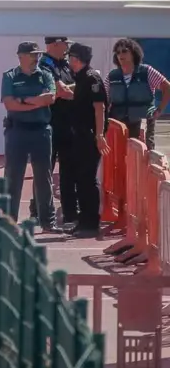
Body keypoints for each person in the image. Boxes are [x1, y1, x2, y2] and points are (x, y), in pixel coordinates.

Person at [1, 41, 56, 228]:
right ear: (21, 56)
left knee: (43, 177)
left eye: (37, 55)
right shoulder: (9, 76)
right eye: (32, 55)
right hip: (17, 130)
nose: (36, 58)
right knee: (13, 176)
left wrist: (23, 100)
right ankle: (9, 220)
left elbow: (50, 98)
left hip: (41, 130)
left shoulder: (46, 75)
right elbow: (10, 104)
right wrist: (34, 101)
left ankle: (48, 221)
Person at [63, 42, 109, 237]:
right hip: (79, 137)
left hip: (88, 137)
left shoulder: (92, 78)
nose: (68, 61)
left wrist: (99, 135)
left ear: (76, 59)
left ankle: (90, 223)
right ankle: (84, 221)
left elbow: (100, 108)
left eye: (70, 58)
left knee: (87, 180)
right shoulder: (81, 78)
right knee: (80, 180)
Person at [107, 38, 170, 149]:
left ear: (133, 53)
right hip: (118, 125)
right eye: (118, 52)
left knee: (142, 156)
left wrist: (159, 109)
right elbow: (104, 98)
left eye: (124, 51)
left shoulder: (147, 72)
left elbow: (167, 87)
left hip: (142, 123)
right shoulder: (112, 76)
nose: (121, 54)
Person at [41, 36, 76, 225]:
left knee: (68, 169)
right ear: (55, 44)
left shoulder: (65, 64)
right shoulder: (46, 65)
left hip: (67, 124)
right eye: (64, 44)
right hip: (51, 123)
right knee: (46, 169)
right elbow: (60, 91)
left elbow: (68, 89)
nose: (67, 48)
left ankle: (69, 210)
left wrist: (72, 89)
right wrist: (78, 89)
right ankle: (40, 209)